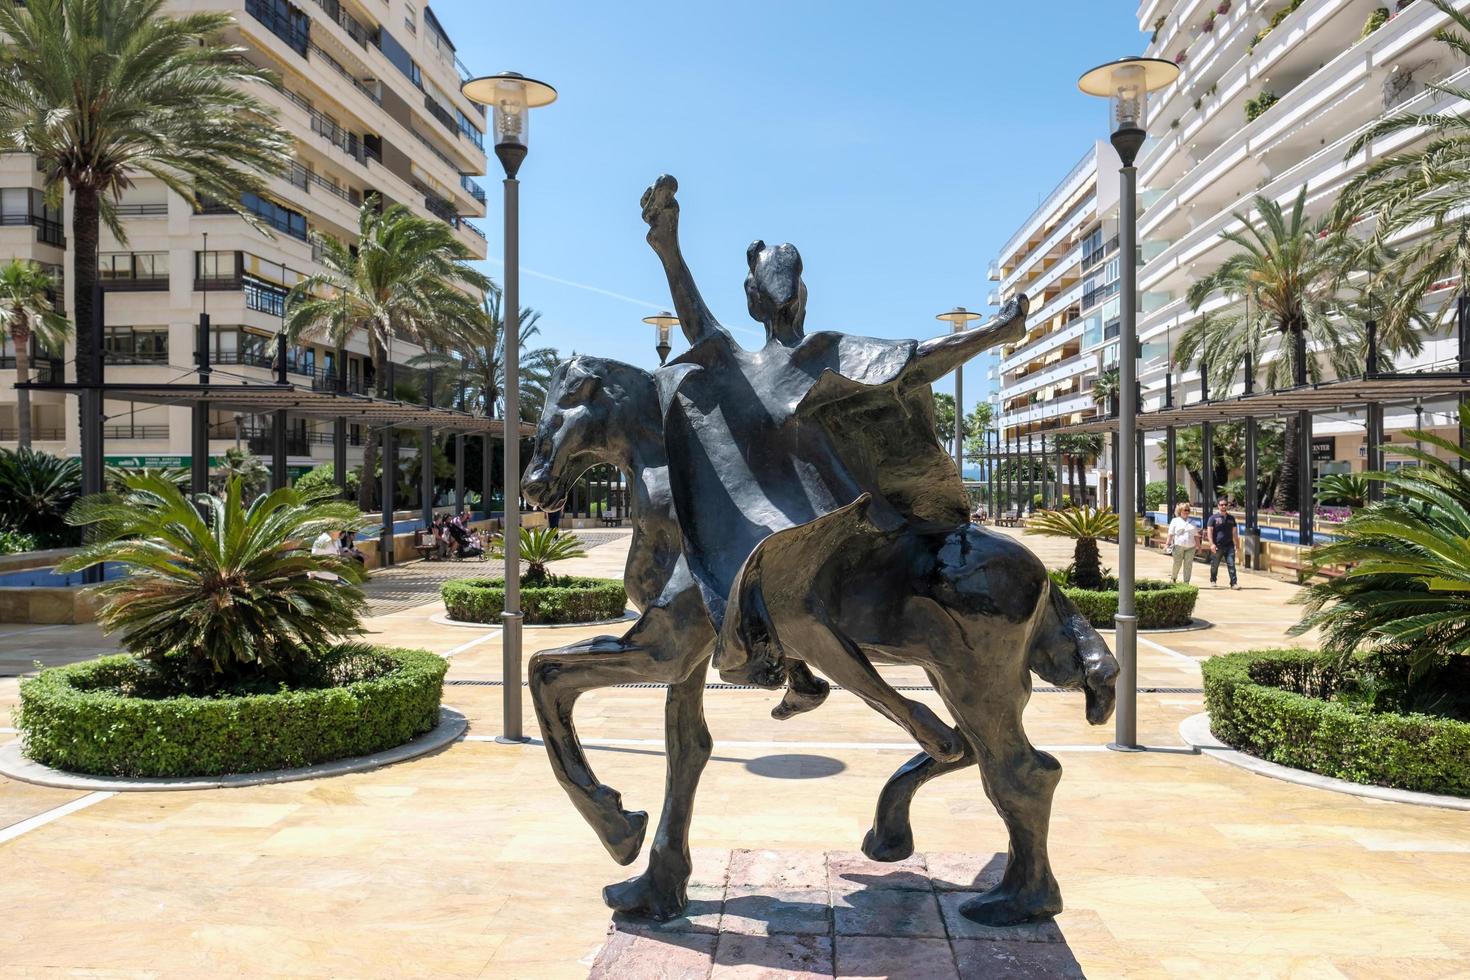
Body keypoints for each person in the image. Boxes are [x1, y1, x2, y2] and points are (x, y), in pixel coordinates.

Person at [1204, 497, 1241, 589]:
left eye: (1225, 504)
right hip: (1217, 546)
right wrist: (1211, 544)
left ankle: (1233, 583)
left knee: (1231, 564)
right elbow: (1209, 532)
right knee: (1215, 565)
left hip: (1229, 545)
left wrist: (1237, 545)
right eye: (1221, 505)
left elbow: (1234, 533)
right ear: (1218, 506)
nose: (1224, 506)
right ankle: (1213, 580)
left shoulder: (1231, 518)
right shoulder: (1213, 518)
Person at [1166, 502, 1200, 583]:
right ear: (1180, 510)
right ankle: (1173, 578)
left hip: (1191, 547)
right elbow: (1170, 534)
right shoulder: (1175, 521)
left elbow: (1196, 535)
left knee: (1188, 565)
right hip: (1178, 546)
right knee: (1177, 563)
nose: (1187, 512)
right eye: (1185, 510)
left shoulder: (1192, 521)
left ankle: (1186, 582)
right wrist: (1167, 544)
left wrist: (1199, 546)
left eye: (1188, 510)